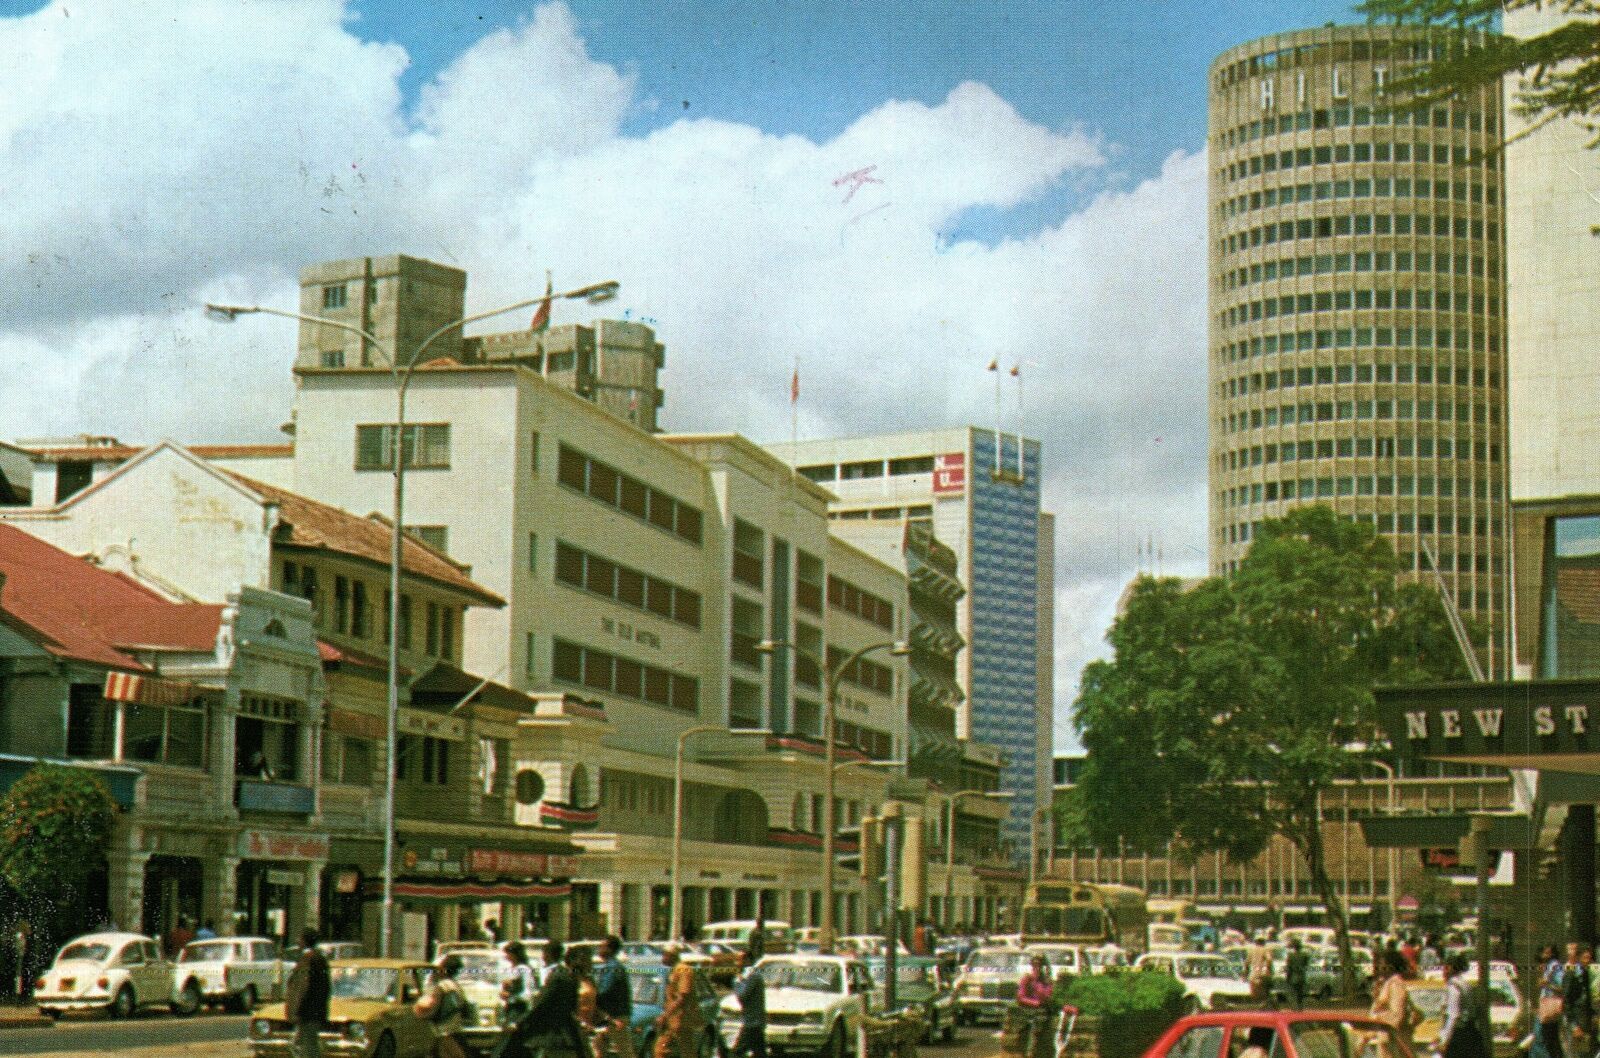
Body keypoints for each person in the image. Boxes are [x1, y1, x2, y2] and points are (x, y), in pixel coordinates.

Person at [285, 928, 332, 1058]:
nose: (297, 941)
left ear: (305, 941)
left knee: (308, 1048)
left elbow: (302, 987)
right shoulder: (320, 959)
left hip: (307, 1013)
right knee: (300, 1045)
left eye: (300, 938)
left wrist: (297, 1010)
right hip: (314, 1012)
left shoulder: (308, 959)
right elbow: (326, 987)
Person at [417, 953, 471, 1058]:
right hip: (453, 1026)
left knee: (450, 1054)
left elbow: (434, 1006)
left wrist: (423, 1015)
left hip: (443, 1028)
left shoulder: (442, 986)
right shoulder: (455, 985)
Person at [654, 946, 703, 1058]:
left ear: (672, 956)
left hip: (682, 1018)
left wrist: (665, 1016)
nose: (663, 958)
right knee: (661, 1050)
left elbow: (682, 997)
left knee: (686, 1051)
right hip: (673, 1019)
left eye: (665, 955)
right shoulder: (674, 969)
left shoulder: (684, 970)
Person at [1437, 953, 1488, 1058]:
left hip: (1459, 1035)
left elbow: (1453, 1015)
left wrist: (1444, 1040)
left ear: (1450, 968)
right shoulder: (1465, 984)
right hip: (1471, 1032)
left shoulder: (1453, 987)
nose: (1443, 972)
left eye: (1445, 968)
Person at [593, 936, 635, 1058]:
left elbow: (604, 991)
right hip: (610, 1016)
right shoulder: (611, 966)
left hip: (616, 1017)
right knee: (598, 1046)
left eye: (602, 947)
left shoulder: (613, 967)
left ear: (610, 950)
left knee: (625, 1052)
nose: (598, 949)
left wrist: (590, 997)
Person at [1370, 948, 1415, 1057]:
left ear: (1390, 966)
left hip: (1391, 1039)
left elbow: (1396, 1014)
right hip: (1383, 1037)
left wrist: (1380, 1020)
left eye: (1381, 964)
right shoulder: (1385, 983)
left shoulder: (1396, 983)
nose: (1379, 967)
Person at [731, 942, 767, 1058]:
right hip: (753, 1020)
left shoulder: (752, 976)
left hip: (752, 1022)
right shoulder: (749, 975)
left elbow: (742, 995)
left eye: (739, 960)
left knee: (737, 1052)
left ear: (747, 961)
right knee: (759, 1053)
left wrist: (737, 981)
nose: (736, 963)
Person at [1016, 953, 1054, 1058]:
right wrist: (1034, 1003)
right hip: (1029, 1013)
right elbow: (1020, 997)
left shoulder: (1046, 981)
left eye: (1040, 966)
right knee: (1030, 1040)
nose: (1037, 968)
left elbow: (1049, 995)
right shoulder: (1027, 979)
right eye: (1035, 965)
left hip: (1043, 1014)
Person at [1535, 944, 1567, 1058]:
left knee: (1550, 1039)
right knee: (1550, 1039)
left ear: (1552, 953)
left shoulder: (1555, 966)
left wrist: (1546, 984)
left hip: (1551, 1005)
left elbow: (1562, 987)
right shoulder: (1548, 967)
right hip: (1546, 1005)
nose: (1544, 955)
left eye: (1547, 952)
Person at [1565, 943, 1593, 1057]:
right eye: (1585, 958)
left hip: (1585, 1020)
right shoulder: (1571, 975)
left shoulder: (1586, 974)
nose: (1588, 961)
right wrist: (1574, 1026)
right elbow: (1567, 1003)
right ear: (1578, 958)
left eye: (1589, 958)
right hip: (1576, 1021)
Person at [502, 941, 539, 1029]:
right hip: (517, 1006)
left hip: (518, 1008)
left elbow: (523, 989)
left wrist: (509, 994)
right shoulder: (518, 968)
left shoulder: (521, 969)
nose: (507, 957)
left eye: (508, 954)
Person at [1248, 935, 1273, 1004]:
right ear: (1263, 942)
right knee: (1264, 995)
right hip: (1262, 974)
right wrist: (1269, 970)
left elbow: (1247, 962)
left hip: (1253, 974)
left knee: (1254, 994)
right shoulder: (1266, 949)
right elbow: (1269, 960)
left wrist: (1245, 973)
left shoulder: (1251, 950)